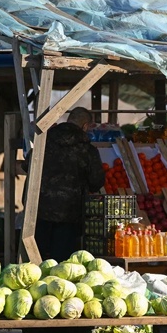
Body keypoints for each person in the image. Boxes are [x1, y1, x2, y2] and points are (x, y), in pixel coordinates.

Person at [25, 107, 105, 262]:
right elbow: (97, 182)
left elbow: (27, 165)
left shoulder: (45, 141)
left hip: (39, 210)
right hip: (69, 214)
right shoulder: (86, 149)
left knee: (35, 261)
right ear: (85, 126)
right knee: (62, 264)